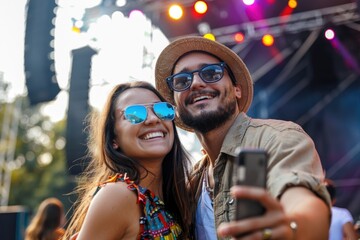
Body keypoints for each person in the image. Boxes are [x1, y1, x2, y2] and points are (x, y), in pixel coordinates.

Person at [155, 36, 331, 239]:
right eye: (182, 81)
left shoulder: (276, 139)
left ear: (237, 90)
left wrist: (292, 229)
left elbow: (304, 203)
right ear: (176, 105)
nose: (195, 83)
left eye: (211, 73)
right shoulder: (192, 183)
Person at [63, 81, 193, 239]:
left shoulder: (183, 197)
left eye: (161, 110)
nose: (153, 119)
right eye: (135, 114)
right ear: (113, 140)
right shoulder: (117, 195)